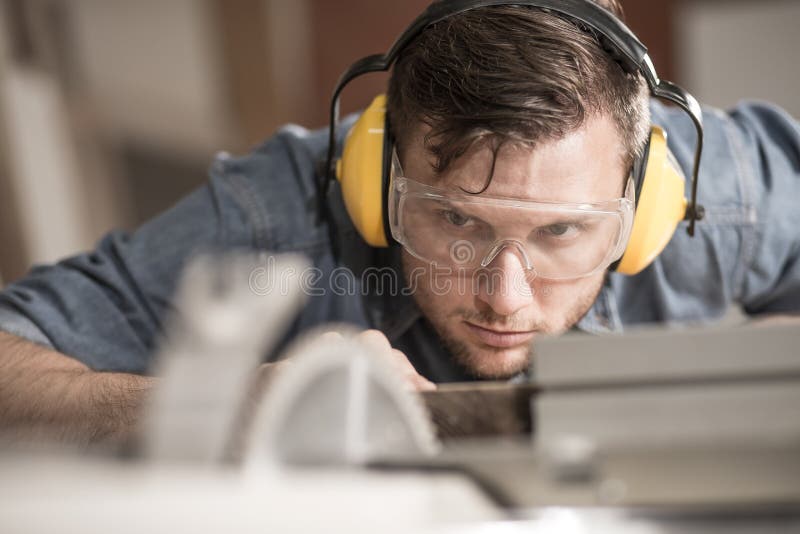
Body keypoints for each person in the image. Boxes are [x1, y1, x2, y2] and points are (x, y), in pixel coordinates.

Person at [0, 0, 798, 445]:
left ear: (649, 204)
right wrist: (225, 404)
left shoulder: (712, 191)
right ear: (374, 179)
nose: (506, 301)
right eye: (455, 219)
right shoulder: (282, 211)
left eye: (561, 232)